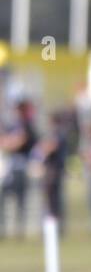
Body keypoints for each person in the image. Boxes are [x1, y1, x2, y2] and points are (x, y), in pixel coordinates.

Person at [0, 98, 39, 238]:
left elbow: (15, 143)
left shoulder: (26, 126)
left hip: (21, 167)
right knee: (5, 199)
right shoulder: (14, 125)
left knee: (20, 199)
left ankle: (19, 229)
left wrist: (8, 142)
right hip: (11, 167)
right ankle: (5, 229)